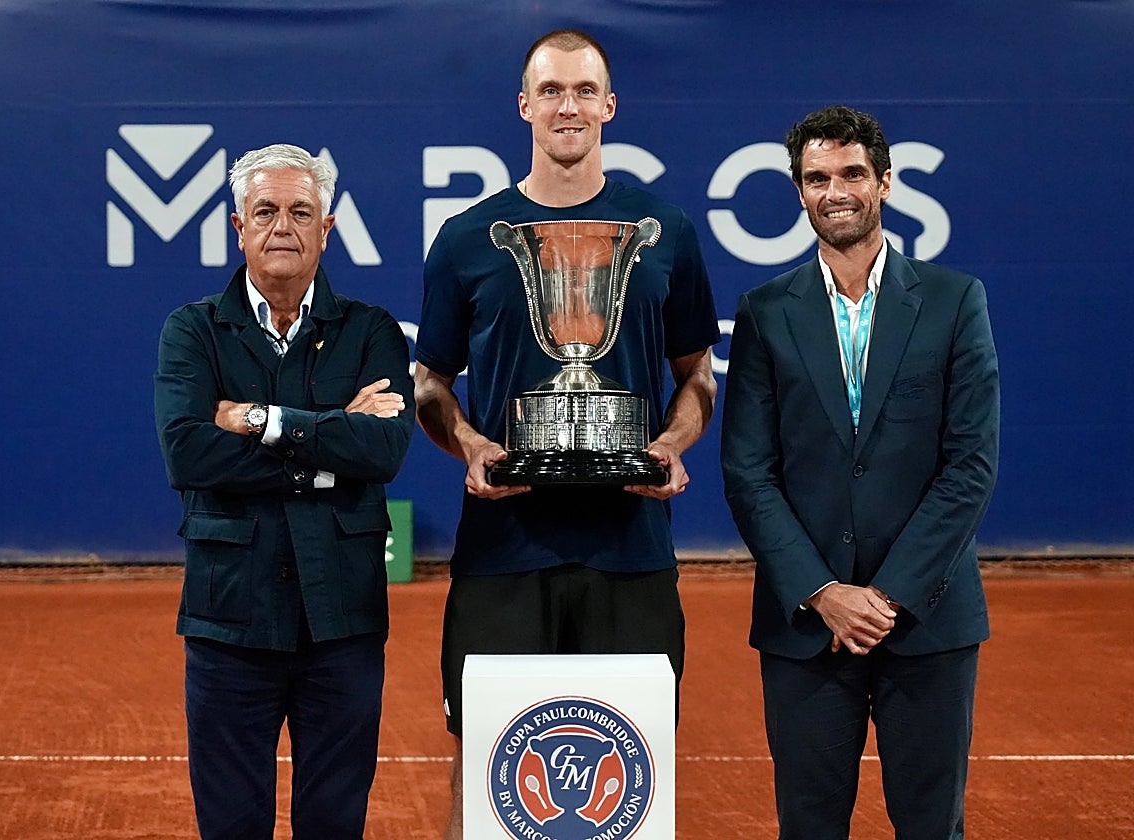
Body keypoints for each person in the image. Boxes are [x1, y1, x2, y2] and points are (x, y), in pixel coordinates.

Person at [413, 28, 720, 838]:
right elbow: (430, 384)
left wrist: (671, 444)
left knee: (631, 766)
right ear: (524, 105)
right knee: (487, 759)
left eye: (584, 90)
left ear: (610, 106)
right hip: (503, 551)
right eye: (550, 90)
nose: (568, 106)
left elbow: (697, 374)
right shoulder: (466, 238)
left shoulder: (667, 230)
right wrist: (472, 446)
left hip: (631, 550)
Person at [720, 105, 1000, 839]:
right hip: (806, 629)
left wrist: (886, 596)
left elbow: (970, 465)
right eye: (817, 178)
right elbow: (748, 471)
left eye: (851, 173)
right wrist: (824, 593)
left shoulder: (954, 301)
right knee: (808, 827)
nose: (835, 191)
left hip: (928, 621)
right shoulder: (764, 312)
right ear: (799, 191)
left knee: (932, 827)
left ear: (884, 182)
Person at [153, 143, 414, 839]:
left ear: (327, 229)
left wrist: (260, 420)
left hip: (343, 621)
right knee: (231, 824)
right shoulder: (192, 331)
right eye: (265, 211)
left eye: (301, 212)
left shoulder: (373, 331)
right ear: (238, 227)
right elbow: (188, 453)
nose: (282, 227)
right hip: (229, 620)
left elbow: (383, 449)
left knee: (335, 822)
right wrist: (330, 445)